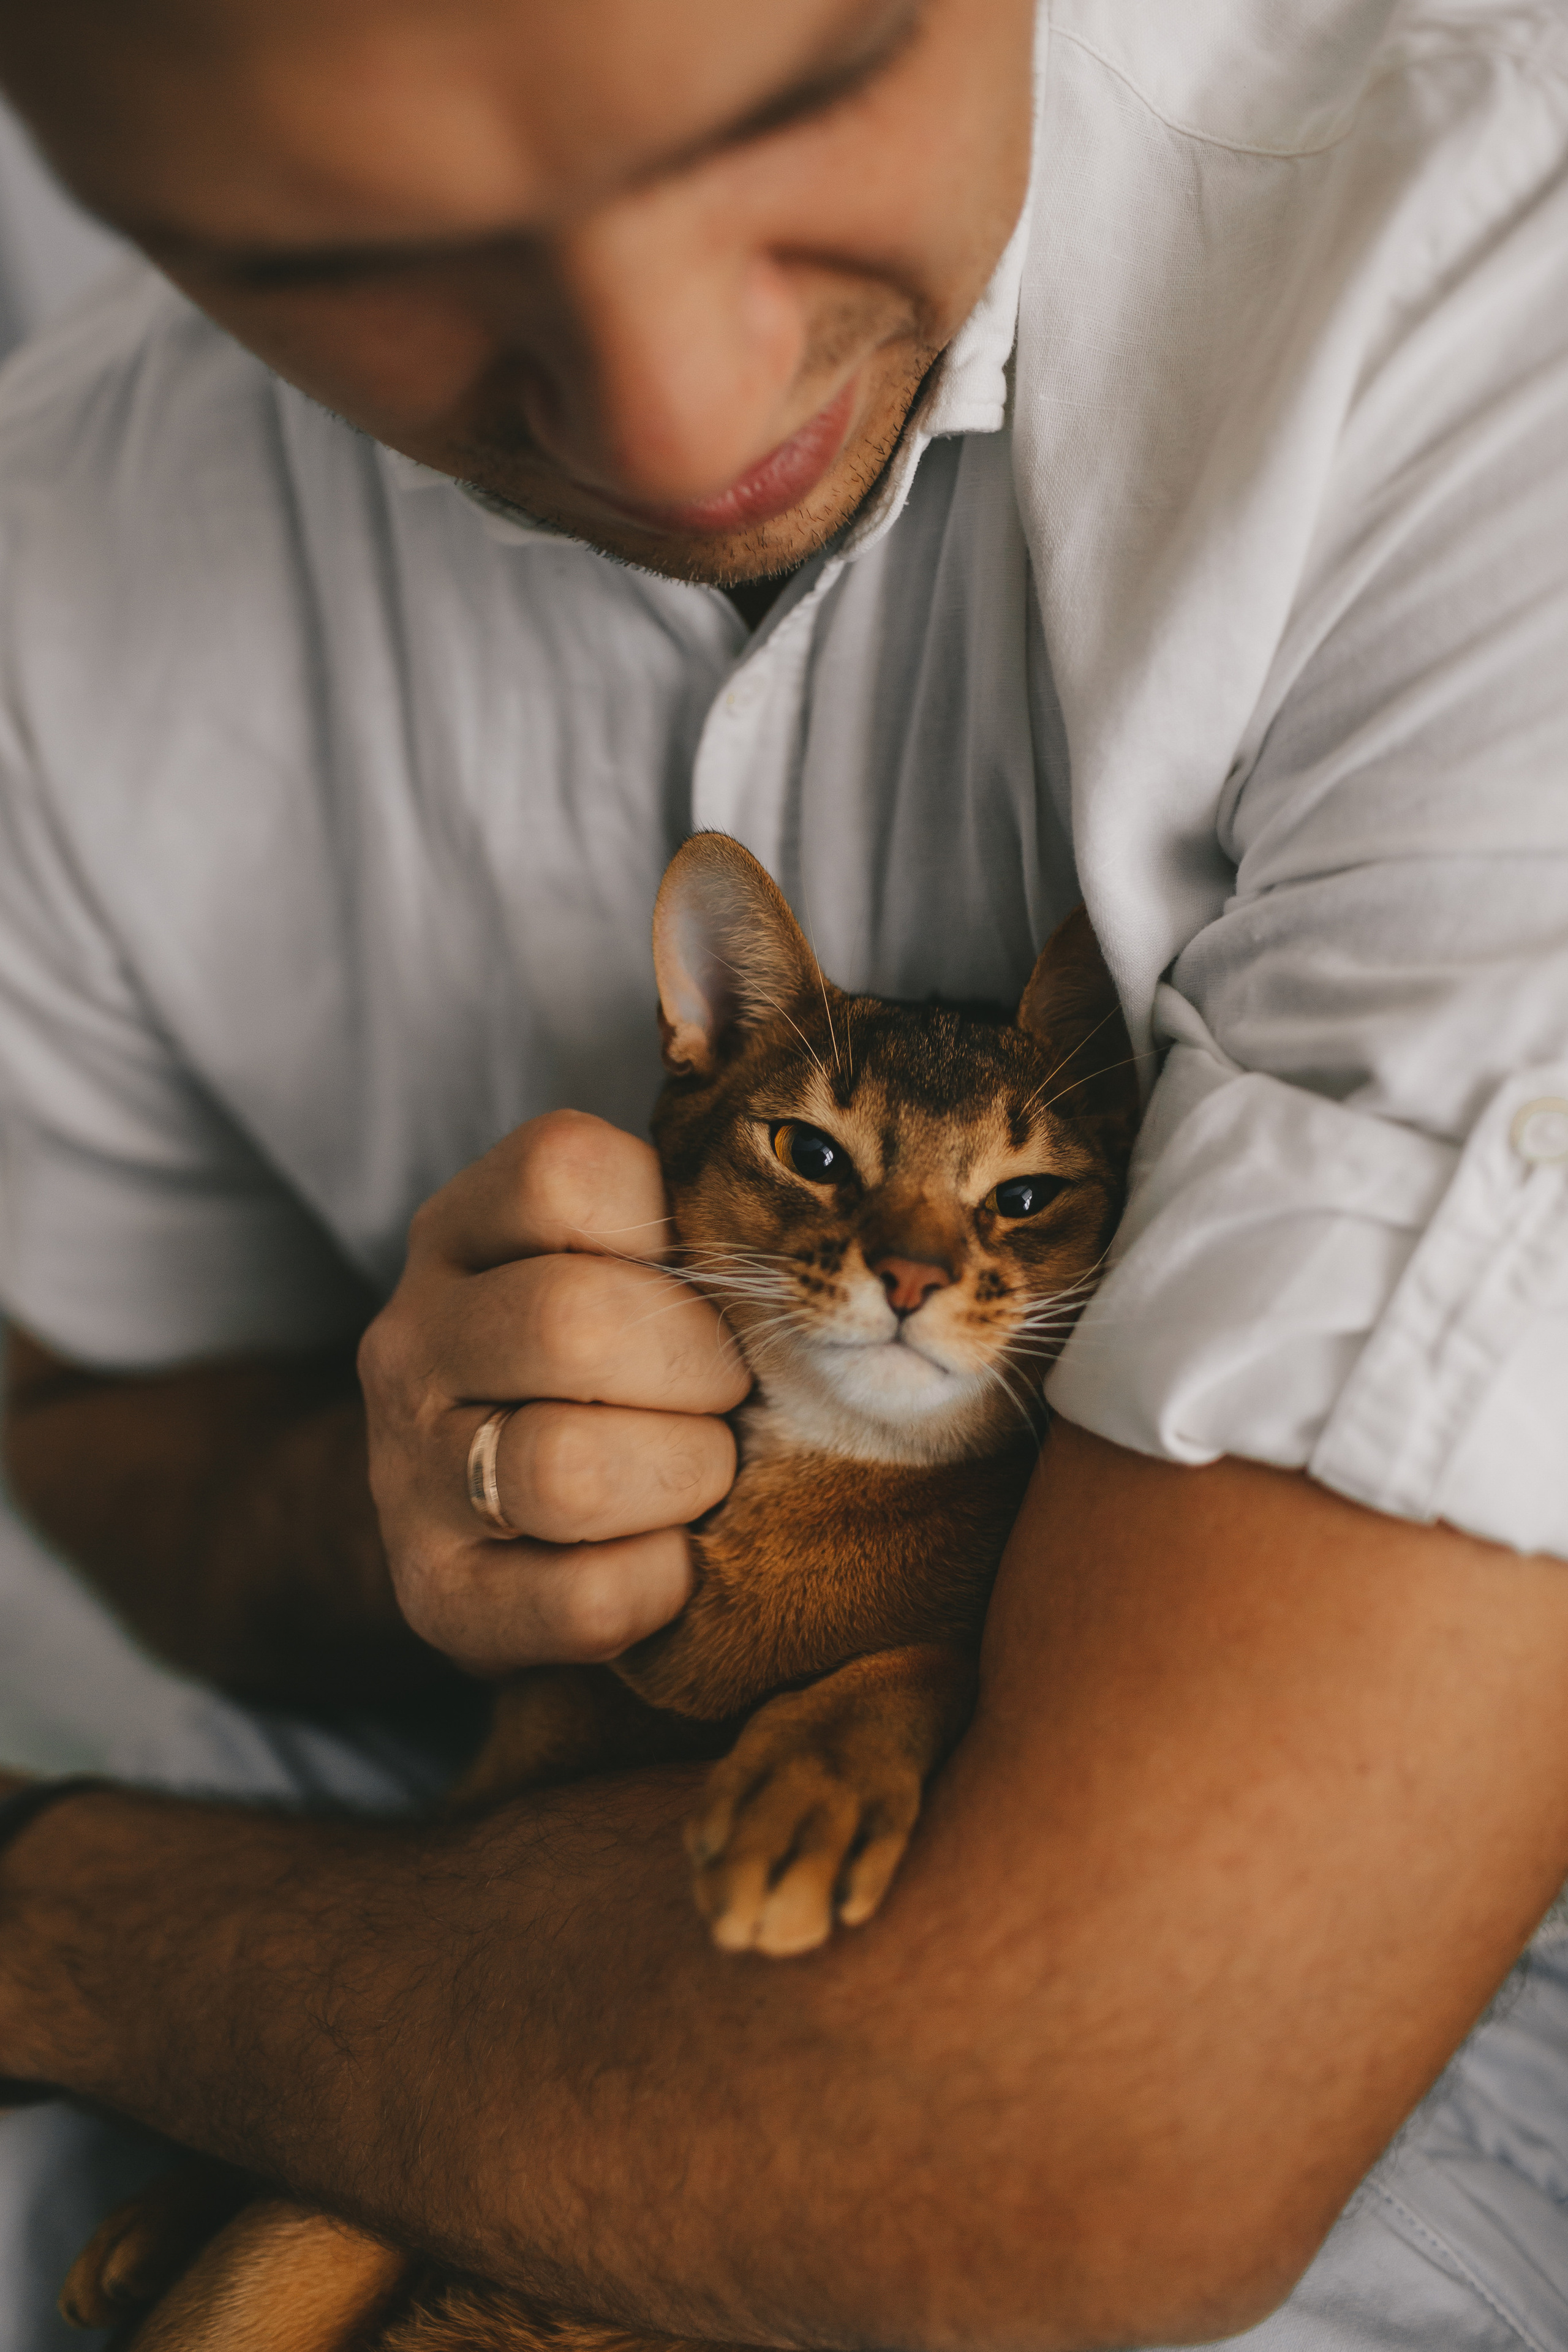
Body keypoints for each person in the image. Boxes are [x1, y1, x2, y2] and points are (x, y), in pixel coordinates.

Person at [0, 0, 1565, 2344]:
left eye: (802, 95)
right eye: (357, 250)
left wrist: (64, 1916)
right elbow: (75, 1418)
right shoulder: (57, 562)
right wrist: (395, 1504)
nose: (680, 421)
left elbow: (1069, 2133)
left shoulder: (1489, 310)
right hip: (417, 1847)